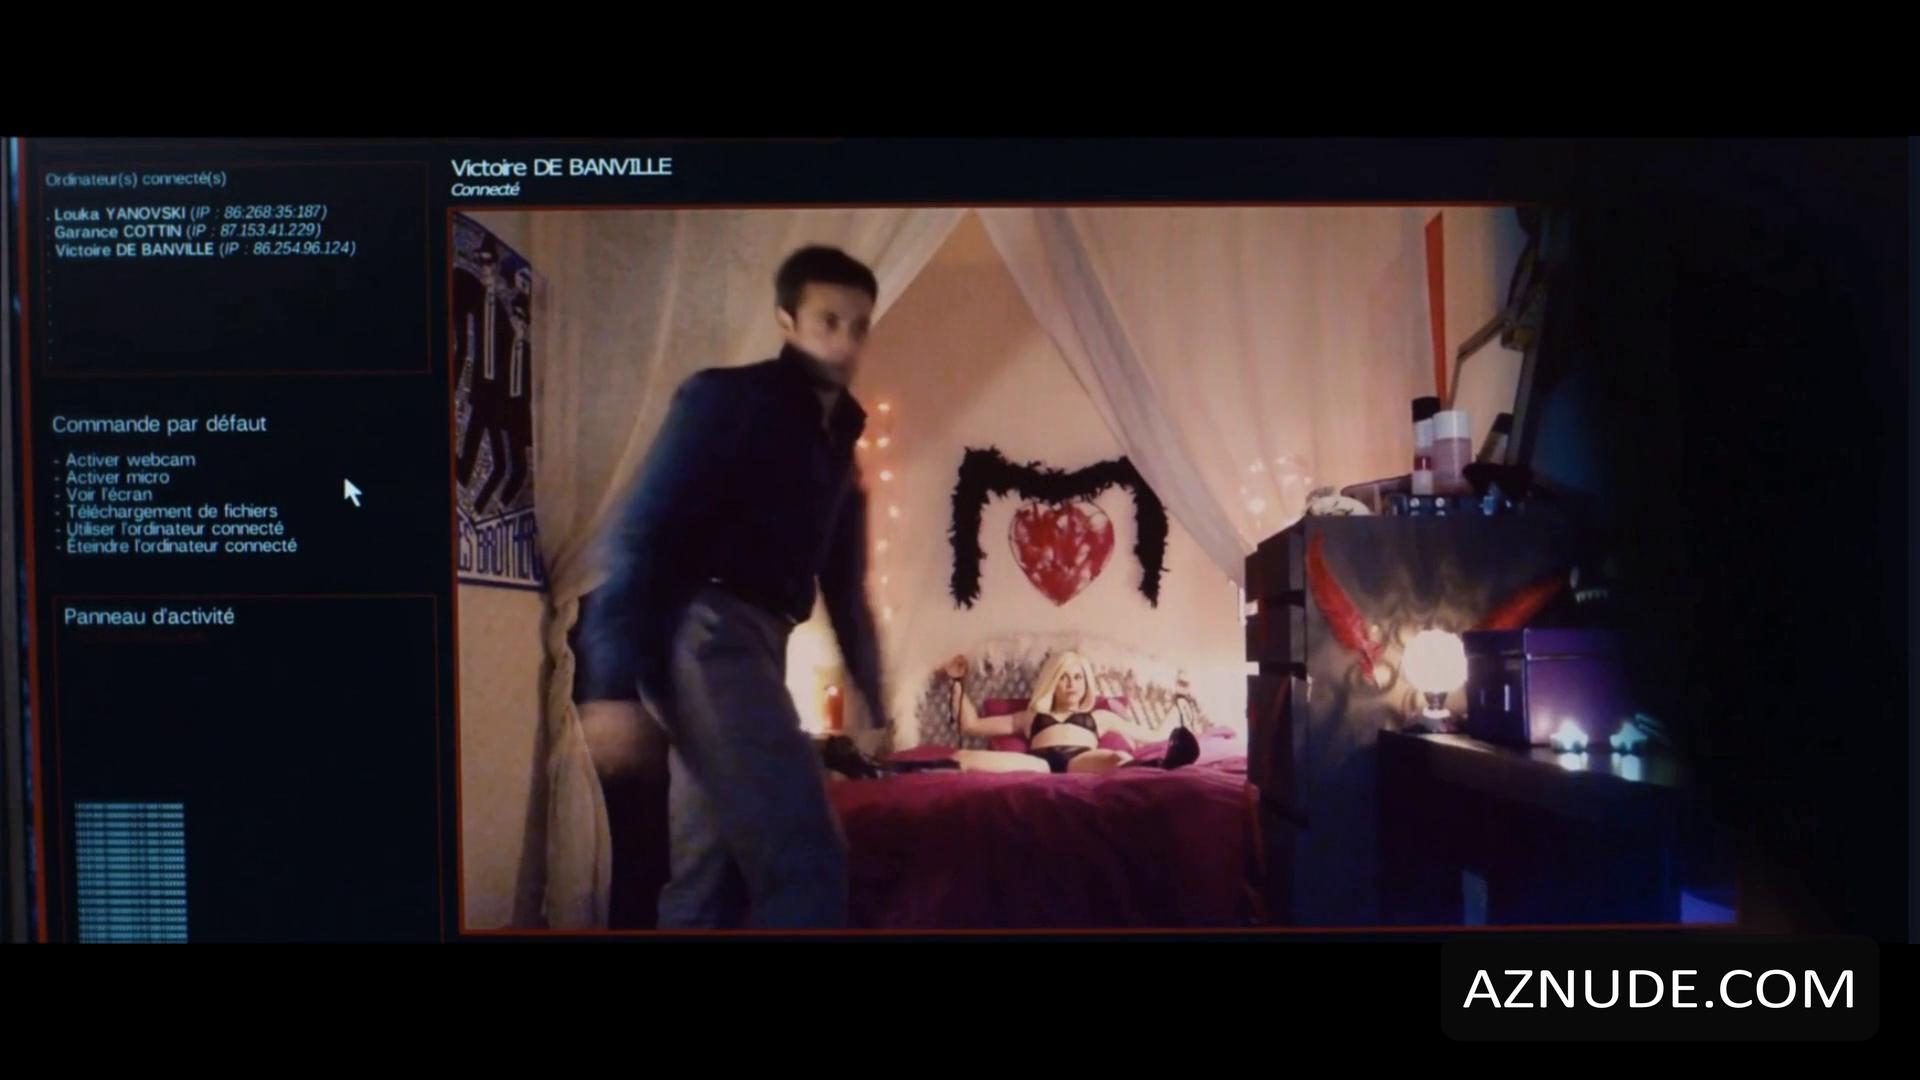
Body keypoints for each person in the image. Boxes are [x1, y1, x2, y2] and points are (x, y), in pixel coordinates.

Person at [579, 246, 890, 930]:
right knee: (806, 857)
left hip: (759, 643)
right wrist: (609, 683)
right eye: (827, 321)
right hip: (705, 632)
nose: (844, 342)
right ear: (787, 320)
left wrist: (874, 696)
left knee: (707, 871)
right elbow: (641, 533)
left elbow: (846, 586)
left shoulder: (840, 445)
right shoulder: (728, 399)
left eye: (858, 326)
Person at [940, 651, 1198, 773]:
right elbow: (970, 725)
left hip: (1081, 759)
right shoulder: (1029, 717)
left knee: (1118, 758)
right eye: (1063, 677)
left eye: (1077, 677)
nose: (1071, 684)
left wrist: (1180, 701)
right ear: (1052, 682)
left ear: (1086, 682)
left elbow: (1154, 735)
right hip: (1038, 762)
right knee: (965, 757)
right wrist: (957, 681)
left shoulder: (1100, 717)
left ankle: (1162, 765)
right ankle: (919, 769)